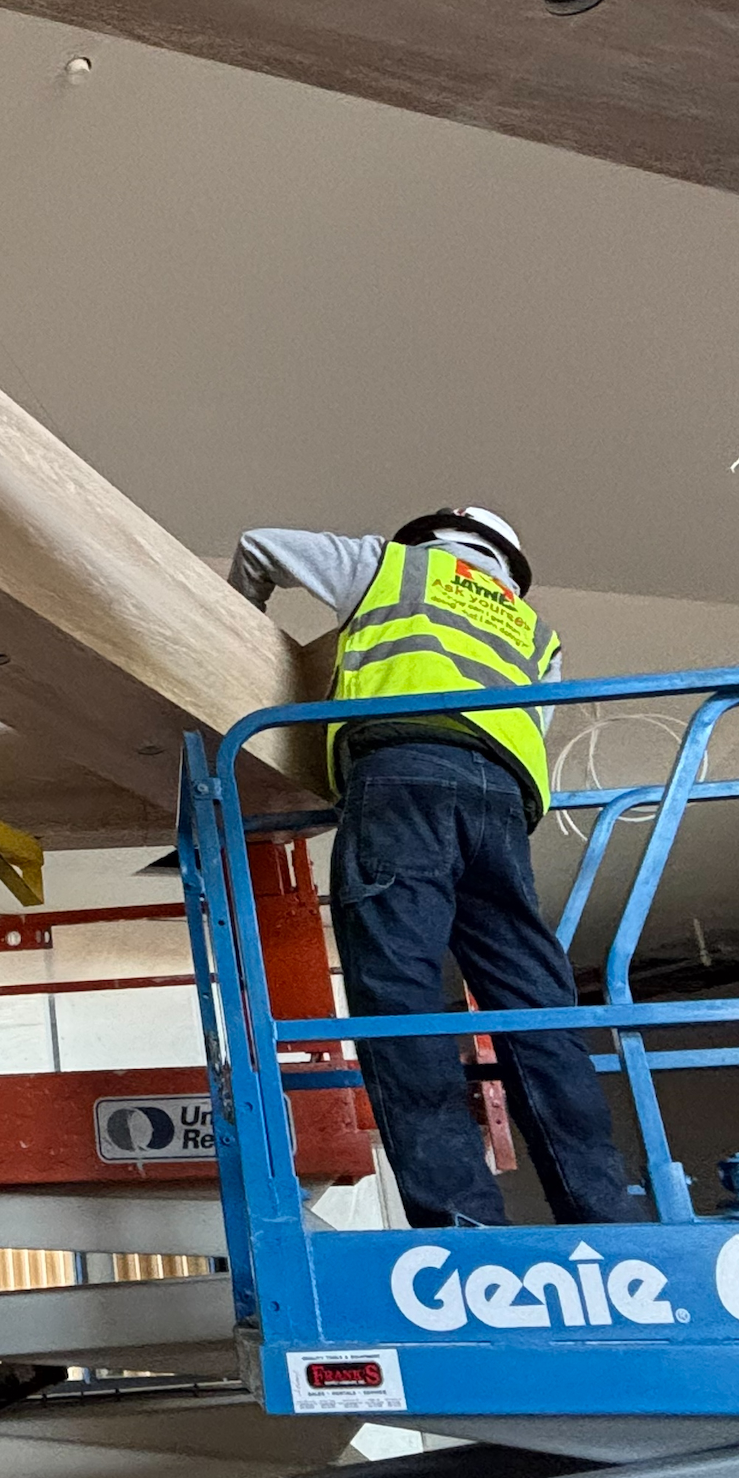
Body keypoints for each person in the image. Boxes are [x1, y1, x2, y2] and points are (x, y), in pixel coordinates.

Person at [227, 507, 635, 1228]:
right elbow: (534, 722)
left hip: (402, 777)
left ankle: (459, 1220)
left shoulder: (394, 566)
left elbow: (260, 547)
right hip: (501, 804)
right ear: (508, 563)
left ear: (432, 534)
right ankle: (602, 1210)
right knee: (536, 1007)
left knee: (399, 1000)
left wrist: (236, 627)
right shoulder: (535, 631)